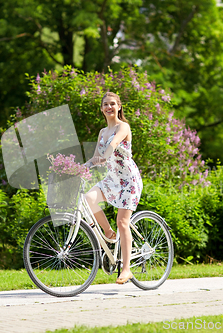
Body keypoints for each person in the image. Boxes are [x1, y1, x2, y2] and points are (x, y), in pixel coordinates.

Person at [84, 92, 143, 285]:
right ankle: (110, 235)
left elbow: (114, 144)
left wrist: (105, 156)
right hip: (112, 179)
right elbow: (95, 157)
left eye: (112, 104)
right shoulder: (102, 131)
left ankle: (126, 269)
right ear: (101, 109)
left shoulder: (123, 127)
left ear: (119, 106)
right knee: (88, 198)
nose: (109, 107)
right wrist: (80, 168)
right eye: (105, 105)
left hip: (128, 180)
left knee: (122, 222)